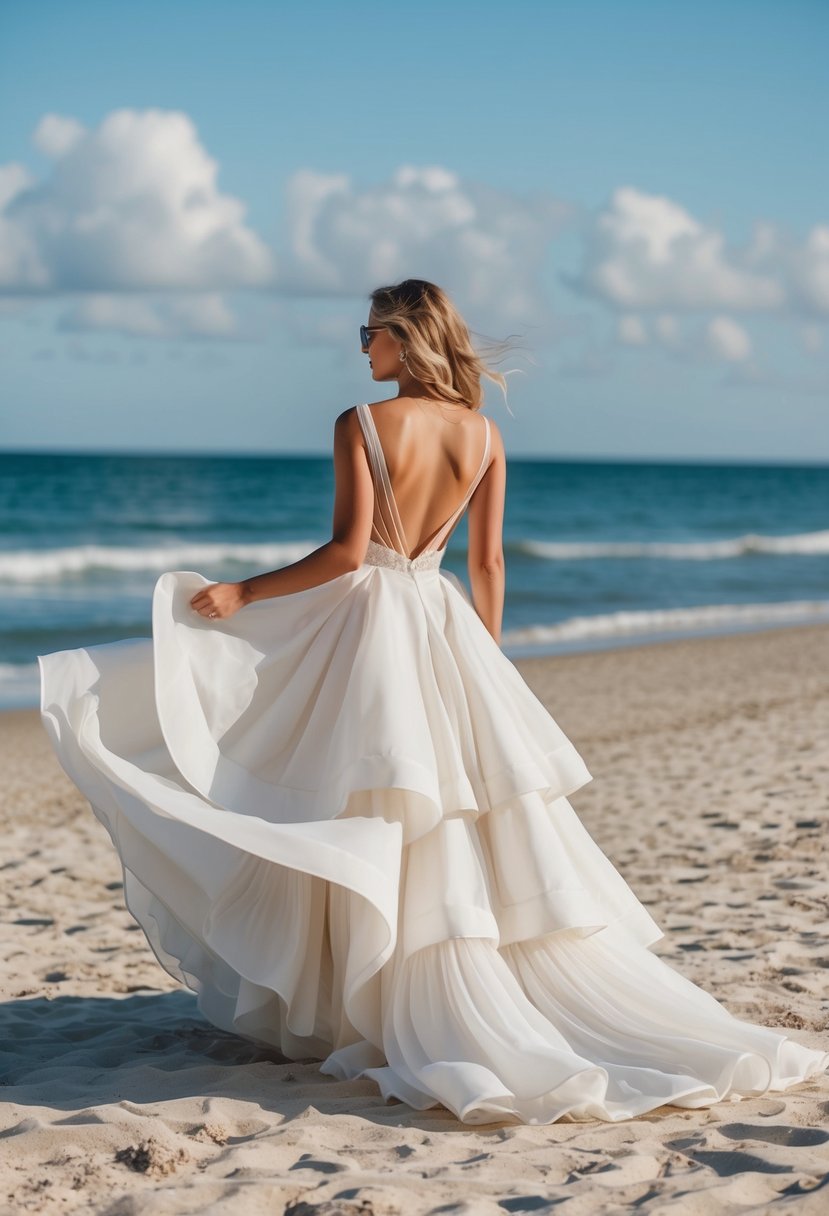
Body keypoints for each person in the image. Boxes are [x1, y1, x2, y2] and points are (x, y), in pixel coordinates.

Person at [39, 278, 827, 1125]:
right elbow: (485, 564)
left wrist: (245, 593)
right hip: (445, 622)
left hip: (372, 623)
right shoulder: (483, 435)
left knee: (360, 804)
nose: (359, 347)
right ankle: (410, 982)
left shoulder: (362, 422)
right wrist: (484, 660)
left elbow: (347, 553)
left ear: (402, 338)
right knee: (444, 814)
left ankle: (375, 998)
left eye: (368, 331)